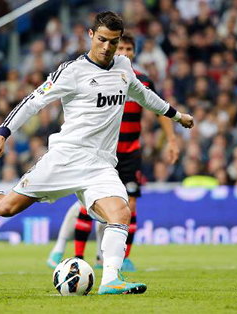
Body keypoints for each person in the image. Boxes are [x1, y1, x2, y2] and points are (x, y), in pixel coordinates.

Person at [0, 11, 193, 295]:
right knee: (6, 208)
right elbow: (32, 102)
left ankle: (111, 279)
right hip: (65, 158)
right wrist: (2, 134)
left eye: (113, 42)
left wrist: (177, 116)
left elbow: (144, 95)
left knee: (120, 212)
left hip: (101, 165)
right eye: (102, 39)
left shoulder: (124, 67)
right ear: (90, 35)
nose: (107, 47)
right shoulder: (72, 71)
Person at [46, 33, 181, 272]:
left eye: (129, 49)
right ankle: (78, 256)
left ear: (134, 52)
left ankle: (119, 258)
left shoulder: (141, 80)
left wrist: (171, 139)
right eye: (122, 49)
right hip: (100, 153)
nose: (125, 53)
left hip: (129, 153)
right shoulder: (96, 77)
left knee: (128, 205)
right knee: (89, 205)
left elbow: (160, 109)